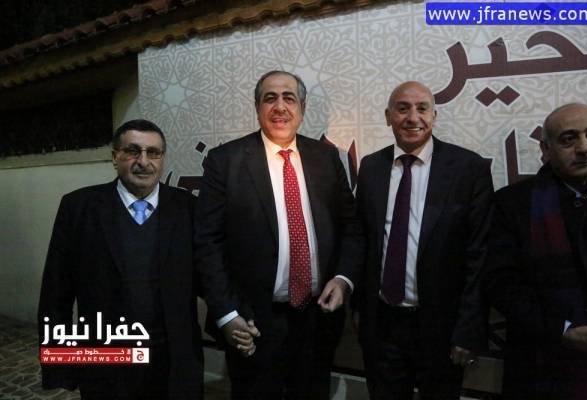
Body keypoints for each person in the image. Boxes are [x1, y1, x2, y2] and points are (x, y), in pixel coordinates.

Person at [195, 70, 363, 400]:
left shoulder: (326, 158)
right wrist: (227, 313)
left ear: (302, 107)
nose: (280, 106)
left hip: (317, 317)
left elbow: (352, 227)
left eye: (289, 98)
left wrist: (343, 279)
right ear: (257, 107)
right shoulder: (225, 161)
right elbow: (206, 243)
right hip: (252, 320)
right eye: (270, 98)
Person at [38, 119, 203, 400]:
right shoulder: (78, 208)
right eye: (132, 151)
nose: (143, 161)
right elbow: (56, 293)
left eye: (153, 153)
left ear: (162, 159)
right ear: (115, 157)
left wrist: (235, 315)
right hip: (107, 360)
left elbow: (210, 274)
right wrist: (59, 363)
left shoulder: (188, 208)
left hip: (174, 358)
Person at [355, 81, 493, 399]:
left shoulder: (468, 168)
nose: (412, 117)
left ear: (434, 115)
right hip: (383, 323)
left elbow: (480, 254)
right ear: (388, 116)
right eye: (402, 108)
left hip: (442, 326)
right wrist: (359, 307)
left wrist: (468, 329)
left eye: (422, 108)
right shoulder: (371, 167)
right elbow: (363, 239)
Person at [483, 103, 587, 400]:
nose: (585, 148)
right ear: (545, 150)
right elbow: (500, 283)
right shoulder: (513, 204)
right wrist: (562, 329)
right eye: (568, 139)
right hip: (542, 362)